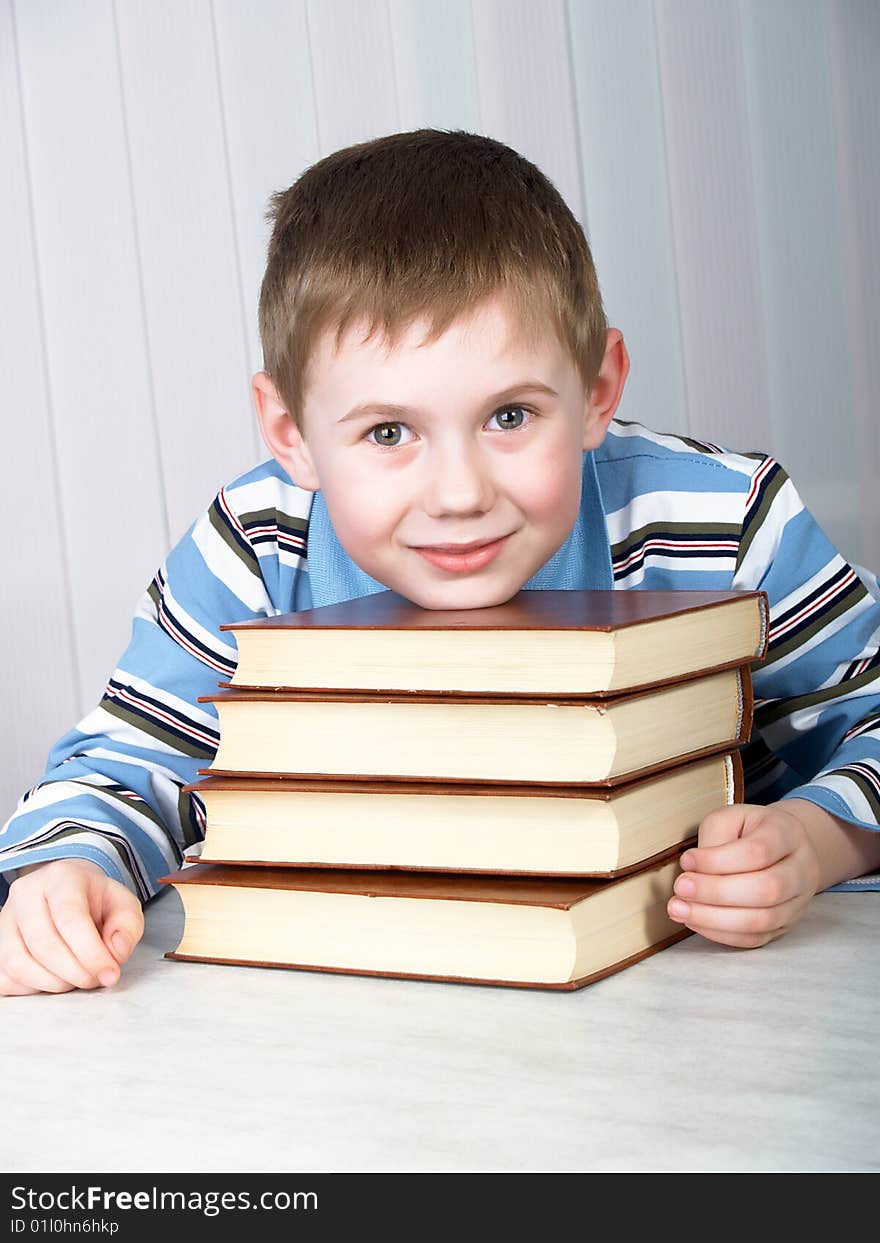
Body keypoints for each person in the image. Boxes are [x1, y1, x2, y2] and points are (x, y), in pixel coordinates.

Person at [1, 128, 878, 997]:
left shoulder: (722, 519)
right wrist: (70, 867)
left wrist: (820, 836)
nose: (458, 493)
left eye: (510, 416)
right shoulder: (258, 549)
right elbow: (126, 762)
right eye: (389, 432)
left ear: (598, 391)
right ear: (291, 435)